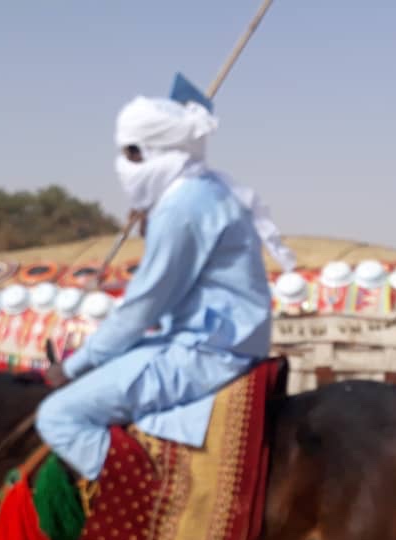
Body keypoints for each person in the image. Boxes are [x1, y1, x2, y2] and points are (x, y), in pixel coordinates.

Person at [36, 95, 296, 482]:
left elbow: (144, 307)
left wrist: (73, 366)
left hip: (204, 353)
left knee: (58, 415)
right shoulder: (206, 190)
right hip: (219, 341)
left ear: (151, 152)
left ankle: (141, 502)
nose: (123, 166)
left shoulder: (183, 206)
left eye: (129, 154)